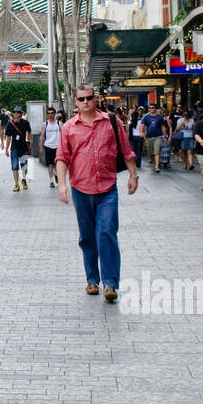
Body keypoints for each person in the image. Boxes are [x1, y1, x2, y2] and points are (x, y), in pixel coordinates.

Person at [56, 84, 138, 302]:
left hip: (107, 188)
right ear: (75, 101)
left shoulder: (112, 122)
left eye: (89, 98)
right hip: (81, 189)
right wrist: (62, 185)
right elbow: (62, 157)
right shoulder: (69, 128)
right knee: (87, 237)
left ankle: (110, 283)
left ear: (96, 98)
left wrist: (133, 175)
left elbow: (126, 150)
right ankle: (92, 279)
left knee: (107, 233)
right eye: (81, 99)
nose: (85, 103)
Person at [5, 106, 32, 192]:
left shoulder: (25, 123)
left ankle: (23, 180)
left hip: (23, 147)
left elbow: (29, 132)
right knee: (14, 166)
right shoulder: (10, 124)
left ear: (21, 113)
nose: (16, 113)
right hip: (14, 148)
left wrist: (29, 142)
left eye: (18, 112)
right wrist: (6, 149)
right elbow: (8, 137)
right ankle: (16, 184)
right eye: (14, 112)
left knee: (25, 166)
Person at [140, 104, 168, 175]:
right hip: (148, 137)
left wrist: (164, 136)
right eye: (150, 108)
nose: (151, 109)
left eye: (153, 108)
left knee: (157, 151)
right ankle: (154, 163)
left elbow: (163, 127)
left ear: (155, 109)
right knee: (150, 153)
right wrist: (142, 132)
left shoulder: (160, 117)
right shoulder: (146, 117)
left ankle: (156, 166)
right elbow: (142, 126)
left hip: (157, 137)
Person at [41, 107, 62, 188]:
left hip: (58, 146)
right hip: (48, 146)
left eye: (52, 113)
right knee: (50, 164)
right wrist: (41, 147)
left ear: (54, 114)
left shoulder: (58, 123)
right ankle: (51, 181)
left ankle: (57, 175)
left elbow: (64, 134)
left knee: (57, 164)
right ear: (47, 114)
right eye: (49, 113)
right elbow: (42, 136)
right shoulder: (45, 124)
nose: (50, 115)